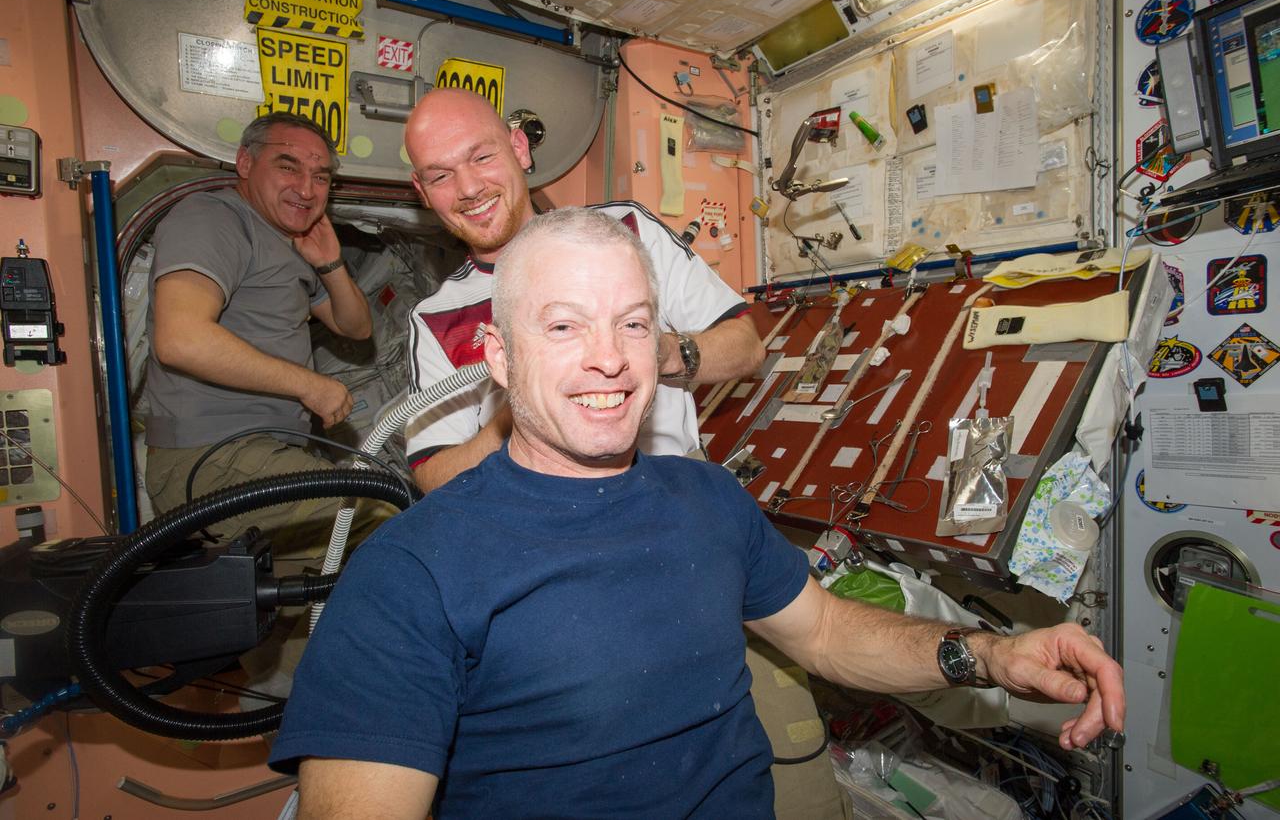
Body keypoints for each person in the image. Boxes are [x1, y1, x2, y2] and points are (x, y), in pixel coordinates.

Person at [269, 209, 1126, 819]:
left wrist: (990, 654)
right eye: (564, 327)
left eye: (632, 325)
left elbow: (826, 631)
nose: (608, 359)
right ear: (498, 355)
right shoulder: (410, 571)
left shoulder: (706, 496)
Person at [401, 88, 766, 493]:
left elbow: (747, 347)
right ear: (422, 191)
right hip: (543, 518)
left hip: (672, 494)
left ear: (519, 148)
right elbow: (433, 477)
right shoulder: (437, 319)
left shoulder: (625, 232)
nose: (468, 188)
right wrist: (519, 412)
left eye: (482, 157)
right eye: (440, 176)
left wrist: (658, 351)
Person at [142, 112, 375, 558]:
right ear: (245, 163)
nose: (306, 189)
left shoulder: (287, 243)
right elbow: (181, 339)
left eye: (320, 177)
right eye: (288, 167)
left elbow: (356, 327)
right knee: (378, 515)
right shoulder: (213, 219)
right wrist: (309, 385)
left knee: (305, 589)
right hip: (213, 455)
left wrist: (330, 263)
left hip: (258, 451)